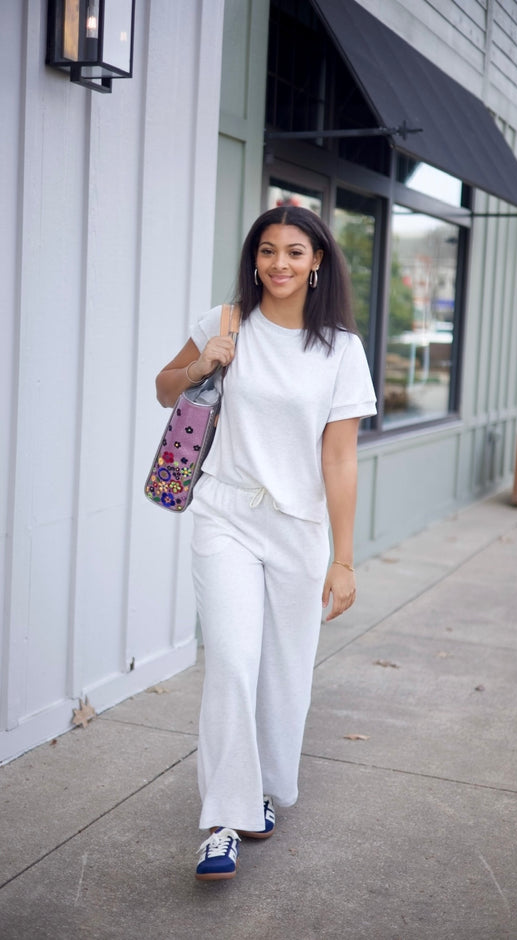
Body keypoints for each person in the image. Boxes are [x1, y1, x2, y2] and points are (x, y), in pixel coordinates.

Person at [155, 206, 376, 881]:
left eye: (294, 253)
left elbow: (338, 461)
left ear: (316, 265)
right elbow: (164, 388)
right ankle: (223, 818)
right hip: (223, 513)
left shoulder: (339, 349)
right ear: (254, 260)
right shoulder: (223, 323)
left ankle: (263, 792)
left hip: (299, 530)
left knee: (281, 675)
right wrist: (204, 365)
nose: (279, 264)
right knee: (230, 660)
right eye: (267, 252)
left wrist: (342, 558)